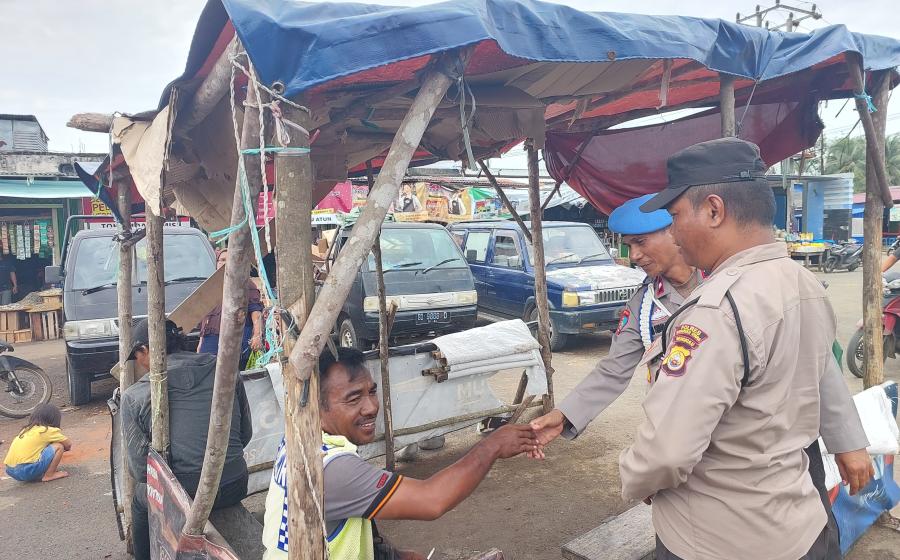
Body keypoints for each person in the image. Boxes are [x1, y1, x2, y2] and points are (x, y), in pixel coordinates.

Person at [592, 137, 871, 560]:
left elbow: (666, 454)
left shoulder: (715, 310)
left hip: (718, 537)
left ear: (714, 210)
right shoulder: (802, 282)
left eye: (675, 217)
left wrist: (636, 476)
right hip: (798, 522)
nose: (674, 232)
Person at [261, 347, 538, 560]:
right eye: (353, 398)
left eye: (372, 392)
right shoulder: (332, 469)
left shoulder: (298, 441)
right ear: (316, 406)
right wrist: (492, 446)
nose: (371, 407)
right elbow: (432, 500)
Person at [122, 318, 252, 560]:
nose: (139, 363)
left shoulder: (135, 395)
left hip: (186, 497)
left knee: (140, 499)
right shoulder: (224, 370)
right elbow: (246, 435)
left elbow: (141, 470)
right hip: (235, 482)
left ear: (145, 350)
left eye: (137, 356)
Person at [198, 248, 264, 370]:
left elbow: (255, 311)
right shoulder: (210, 287)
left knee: (235, 374)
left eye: (229, 260)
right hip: (211, 341)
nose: (225, 263)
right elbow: (205, 319)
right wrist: (201, 343)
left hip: (236, 339)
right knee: (209, 372)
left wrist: (257, 335)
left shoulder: (246, 283)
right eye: (222, 260)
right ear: (216, 263)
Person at [3, 403, 71, 482]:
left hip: (11, 470)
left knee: (40, 448)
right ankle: (49, 475)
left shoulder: (26, 430)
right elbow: (68, 445)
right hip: (27, 470)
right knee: (59, 446)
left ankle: (37, 472)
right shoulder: (46, 430)